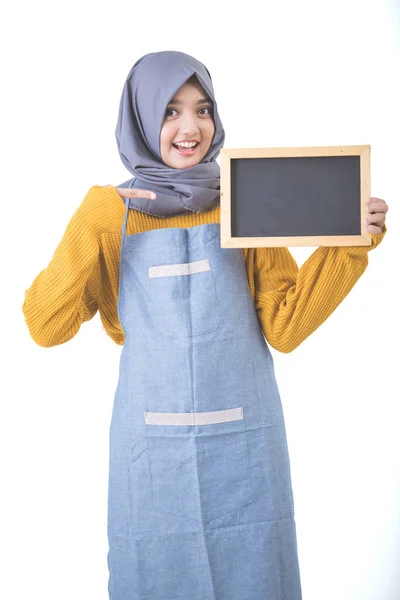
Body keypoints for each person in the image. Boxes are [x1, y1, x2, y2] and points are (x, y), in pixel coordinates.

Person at [22, 50, 388, 600]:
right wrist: (89, 220)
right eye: (170, 111)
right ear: (142, 120)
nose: (190, 127)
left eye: (202, 109)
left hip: (244, 453)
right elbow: (45, 326)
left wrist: (350, 246)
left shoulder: (241, 200)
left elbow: (285, 327)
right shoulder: (108, 214)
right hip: (151, 459)